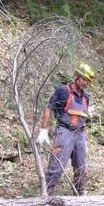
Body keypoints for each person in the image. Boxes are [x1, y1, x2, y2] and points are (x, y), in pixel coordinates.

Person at [36, 63, 95, 196]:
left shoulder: (86, 98)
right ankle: (46, 194)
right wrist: (43, 130)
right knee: (56, 167)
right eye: (84, 80)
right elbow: (49, 108)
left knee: (81, 168)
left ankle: (80, 196)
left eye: (88, 81)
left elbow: (82, 118)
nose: (86, 83)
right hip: (65, 131)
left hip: (80, 134)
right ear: (77, 76)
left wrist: (84, 141)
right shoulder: (63, 91)